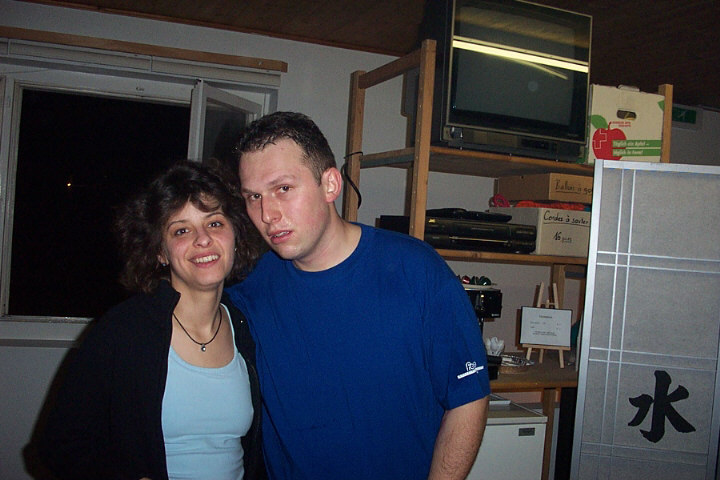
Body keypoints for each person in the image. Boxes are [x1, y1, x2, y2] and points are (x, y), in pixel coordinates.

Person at [227, 111, 490, 479]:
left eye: (283, 189)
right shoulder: (249, 291)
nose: (267, 213)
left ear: (330, 184)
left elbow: (468, 398)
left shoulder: (417, 272)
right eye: (253, 196)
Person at [36, 161, 267, 480]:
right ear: (160, 251)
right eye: (181, 230)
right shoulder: (124, 330)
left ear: (235, 235)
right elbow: (60, 444)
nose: (203, 239)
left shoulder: (246, 327)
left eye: (214, 223)